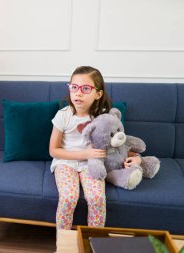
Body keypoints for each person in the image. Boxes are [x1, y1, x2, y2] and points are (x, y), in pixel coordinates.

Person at [49, 66, 141, 234]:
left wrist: (136, 158)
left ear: (98, 94)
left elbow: (117, 145)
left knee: (97, 198)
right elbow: (54, 151)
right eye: (74, 87)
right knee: (69, 197)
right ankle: (63, 243)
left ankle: (93, 241)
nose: (78, 93)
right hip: (65, 162)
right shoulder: (63, 115)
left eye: (85, 89)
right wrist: (84, 154)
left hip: (93, 164)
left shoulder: (104, 118)